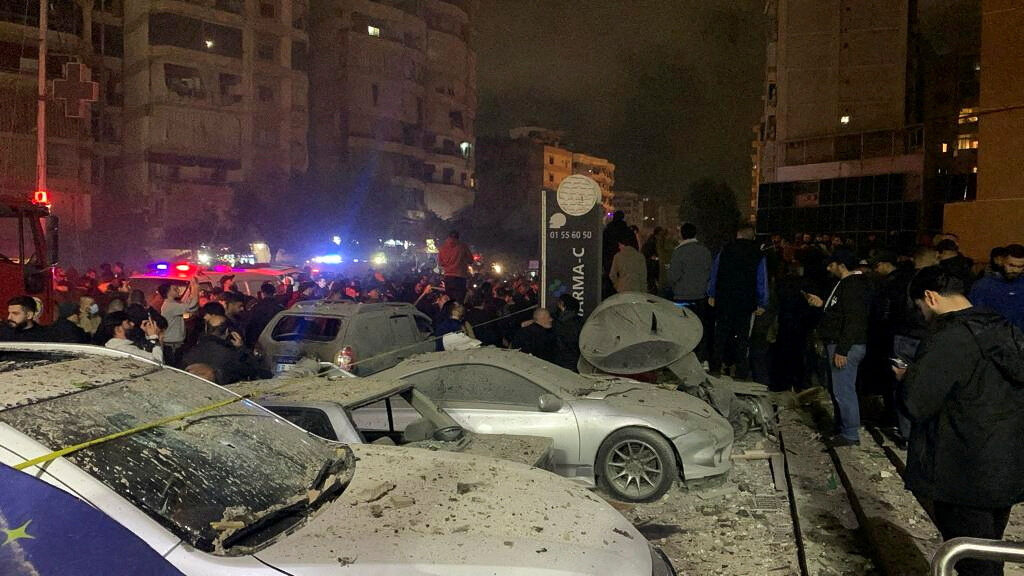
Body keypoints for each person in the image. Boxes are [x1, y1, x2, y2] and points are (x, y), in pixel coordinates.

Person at [896, 266, 1024, 576]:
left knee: (974, 562)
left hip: (962, 467)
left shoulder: (949, 337)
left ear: (931, 297)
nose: (923, 315)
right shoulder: (1003, 328)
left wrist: (907, 378)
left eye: (920, 307)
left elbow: (917, 403)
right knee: (989, 548)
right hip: (1004, 464)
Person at [805, 247, 872, 446]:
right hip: (840, 343)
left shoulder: (852, 286)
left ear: (841, 265)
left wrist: (843, 350)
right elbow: (842, 312)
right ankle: (841, 426)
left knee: (844, 390)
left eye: (831, 264)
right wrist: (822, 305)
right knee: (839, 388)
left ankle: (850, 433)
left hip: (845, 346)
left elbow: (853, 321)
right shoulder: (846, 284)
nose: (828, 268)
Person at [708, 226, 768, 379]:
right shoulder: (757, 254)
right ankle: (741, 371)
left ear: (738, 235)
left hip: (725, 298)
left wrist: (712, 294)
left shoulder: (725, 250)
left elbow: (715, 273)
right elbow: (761, 280)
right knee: (743, 337)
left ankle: (716, 366)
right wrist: (762, 302)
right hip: (746, 301)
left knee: (720, 334)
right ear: (752, 237)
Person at [182, 304, 270, 385]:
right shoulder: (231, 356)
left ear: (206, 329)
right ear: (227, 332)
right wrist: (241, 348)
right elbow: (255, 371)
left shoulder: (190, 353)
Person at [666, 222, 713, 361]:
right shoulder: (705, 251)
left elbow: (673, 276)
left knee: (682, 328)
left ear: (682, 234)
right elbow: (710, 272)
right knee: (700, 328)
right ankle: (701, 358)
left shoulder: (679, 252)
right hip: (701, 296)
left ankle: (683, 357)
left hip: (682, 297)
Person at [969, 243, 1024, 332]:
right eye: (1011, 265)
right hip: (994, 336)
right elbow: (974, 318)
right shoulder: (983, 286)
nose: (1015, 270)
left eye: (1020, 267)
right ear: (1001, 261)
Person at [160, 277, 199, 364]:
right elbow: (191, 307)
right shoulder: (170, 305)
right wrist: (195, 288)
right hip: (172, 345)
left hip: (174, 344)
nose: (178, 290)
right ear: (168, 292)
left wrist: (190, 315)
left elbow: (180, 316)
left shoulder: (172, 305)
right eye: (175, 289)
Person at [99, 311, 164, 362]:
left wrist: (148, 335)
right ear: (118, 329)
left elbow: (145, 352)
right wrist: (154, 337)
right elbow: (158, 362)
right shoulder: (126, 350)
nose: (133, 324)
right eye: (128, 322)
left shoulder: (113, 346)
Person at [602, 210, 634, 297]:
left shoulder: (607, 231)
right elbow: (634, 247)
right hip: (626, 261)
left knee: (610, 283)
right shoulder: (628, 231)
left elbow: (603, 246)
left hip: (609, 260)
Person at [438, 230, 474, 304]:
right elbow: (471, 260)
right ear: (458, 237)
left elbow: (440, 263)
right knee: (459, 303)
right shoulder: (463, 246)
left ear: (448, 237)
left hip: (448, 277)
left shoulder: (443, 247)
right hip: (460, 277)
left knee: (449, 302)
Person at [245, 282, 284, 348]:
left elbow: (250, 323)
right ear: (273, 292)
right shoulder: (280, 307)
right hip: (276, 338)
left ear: (263, 293)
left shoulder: (257, 307)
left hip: (260, 338)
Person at [553, 294, 583, 371]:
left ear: (562, 304)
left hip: (564, 359)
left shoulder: (560, 321)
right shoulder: (580, 321)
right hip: (576, 359)